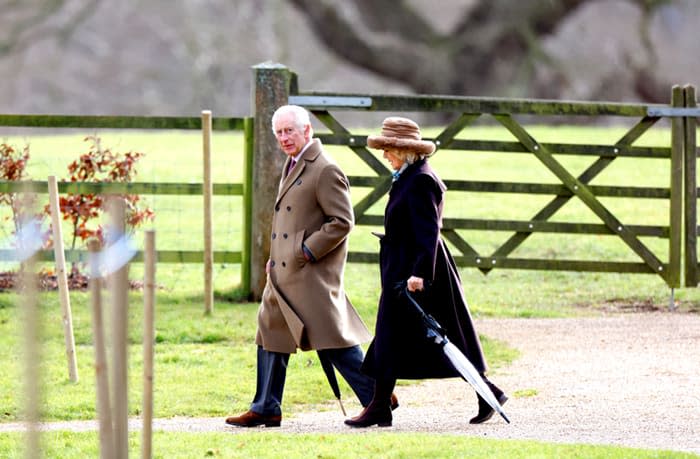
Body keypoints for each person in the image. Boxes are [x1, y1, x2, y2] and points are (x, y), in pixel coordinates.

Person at [225, 105, 395, 428]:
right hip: (282, 273)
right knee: (270, 331)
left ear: (307, 131)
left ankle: (378, 396)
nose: (284, 138)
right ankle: (265, 407)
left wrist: (305, 251)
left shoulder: (325, 168)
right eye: (279, 132)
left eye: (290, 131)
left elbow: (342, 221)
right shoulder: (293, 164)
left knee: (334, 342)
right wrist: (275, 258)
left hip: (310, 274)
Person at [345, 116, 507, 428]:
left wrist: (419, 274)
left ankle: (487, 391)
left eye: (388, 149)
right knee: (392, 336)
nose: (384, 155)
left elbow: (429, 231)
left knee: (444, 338)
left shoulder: (421, 180)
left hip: (417, 273)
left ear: (405, 151)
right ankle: (380, 405)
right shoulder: (408, 175)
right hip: (404, 268)